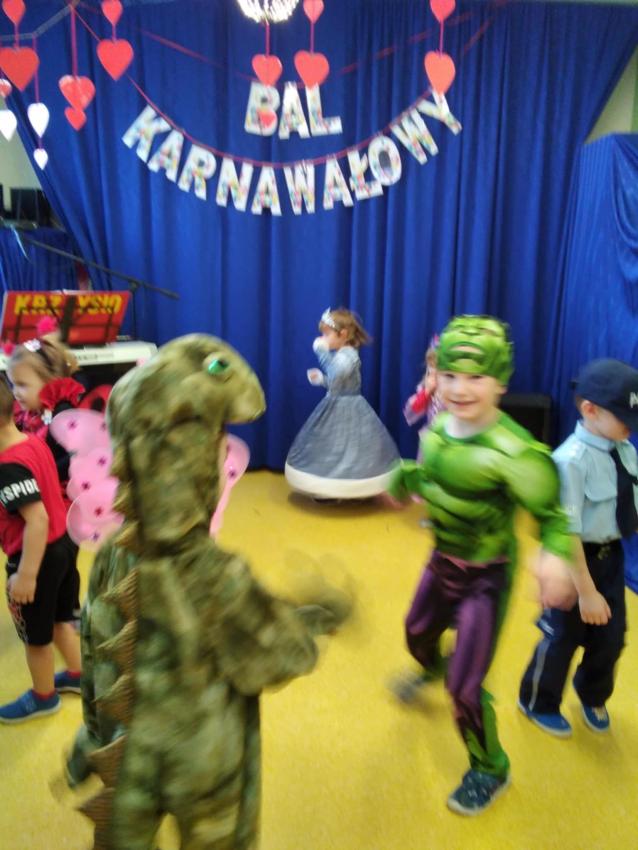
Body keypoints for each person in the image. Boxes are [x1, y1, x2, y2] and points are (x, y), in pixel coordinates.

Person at [65, 335, 352, 850]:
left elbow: (93, 649)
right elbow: (277, 654)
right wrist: (315, 619)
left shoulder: (109, 557)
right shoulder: (215, 576)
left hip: (127, 753)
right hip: (204, 764)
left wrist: (91, 732)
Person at [388, 314, 576, 815]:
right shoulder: (439, 429)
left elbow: (554, 519)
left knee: (466, 690)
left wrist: (554, 558)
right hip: (441, 563)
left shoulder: (516, 451)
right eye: (449, 375)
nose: (459, 389)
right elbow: (437, 480)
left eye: (475, 377)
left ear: (501, 382)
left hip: (485, 579)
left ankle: (491, 768)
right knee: (415, 635)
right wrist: (406, 479)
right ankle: (438, 667)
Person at [518, 358, 638, 736]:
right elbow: (566, 531)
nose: (632, 426)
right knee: (561, 639)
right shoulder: (570, 461)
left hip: (610, 557)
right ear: (590, 410)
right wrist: (586, 592)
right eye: (625, 418)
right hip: (572, 559)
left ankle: (591, 693)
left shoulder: (625, 450)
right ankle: (537, 700)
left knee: (612, 637)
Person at [0, 378, 82, 723]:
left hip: (38, 557)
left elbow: (37, 520)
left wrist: (26, 575)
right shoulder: (32, 441)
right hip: (64, 547)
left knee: (36, 638)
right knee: (62, 620)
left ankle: (43, 696)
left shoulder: (7, 466)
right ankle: (78, 675)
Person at [285, 307, 400, 499]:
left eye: (326, 334)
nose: (322, 338)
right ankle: (329, 487)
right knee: (330, 447)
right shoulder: (340, 355)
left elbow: (337, 373)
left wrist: (322, 352)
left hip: (349, 409)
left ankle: (354, 488)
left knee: (352, 449)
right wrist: (321, 380)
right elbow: (335, 382)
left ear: (343, 334)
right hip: (334, 404)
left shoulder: (349, 355)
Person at [5, 318, 86, 497]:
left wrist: (45, 475)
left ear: (50, 381)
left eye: (22, 385)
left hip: (59, 490)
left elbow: (75, 456)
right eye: (12, 384)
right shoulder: (27, 413)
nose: (15, 392)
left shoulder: (62, 413)